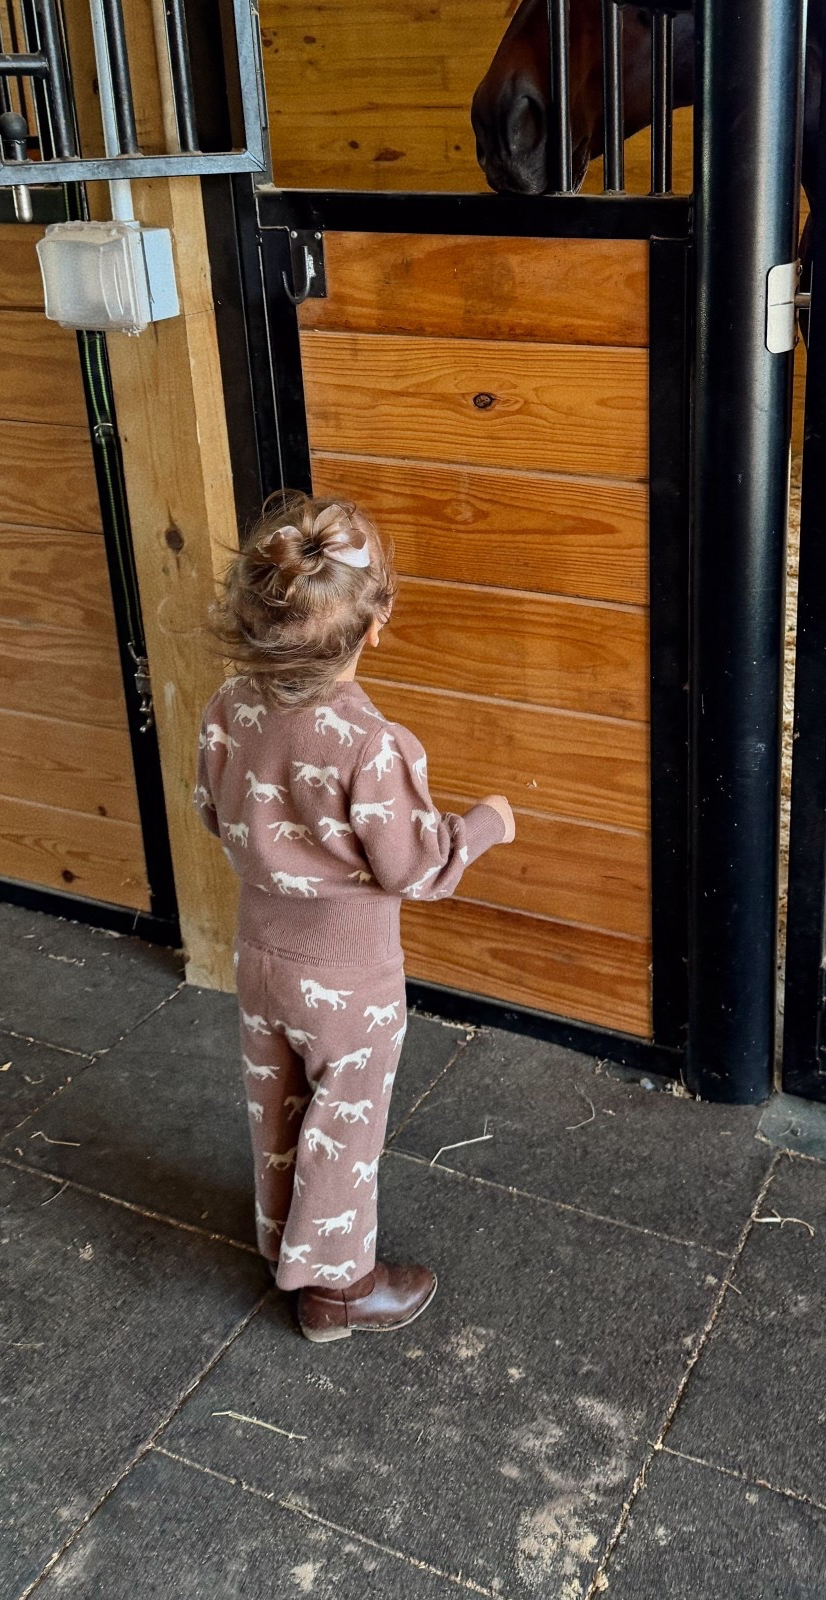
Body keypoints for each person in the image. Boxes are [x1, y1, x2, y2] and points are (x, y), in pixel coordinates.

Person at [194, 494, 514, 1343]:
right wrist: (482, 825)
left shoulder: (230, 706)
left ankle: (282, 1247)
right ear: (377, 624)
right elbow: (412, 868)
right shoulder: (372, 745)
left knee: (278, 1105)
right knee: (346, 1123)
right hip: (348, 978)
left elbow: (211, 812)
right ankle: (338, 1290)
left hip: (259, 956)